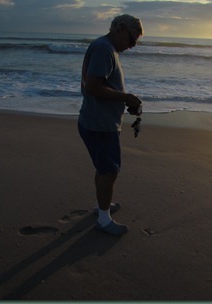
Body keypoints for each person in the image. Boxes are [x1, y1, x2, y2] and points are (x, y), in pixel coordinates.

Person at [78, 14, 144, 236]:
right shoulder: (104, 49)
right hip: (100, 124)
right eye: (132, 40)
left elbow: (98, 86)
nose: (132, 46)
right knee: (109, 171)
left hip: (98, 121)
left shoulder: (106, 48)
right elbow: (93, 87)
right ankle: (104, 220)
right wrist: (126, 98)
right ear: (121, 28)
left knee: (103, 169)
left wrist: (124, 100)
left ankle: (101, 207)